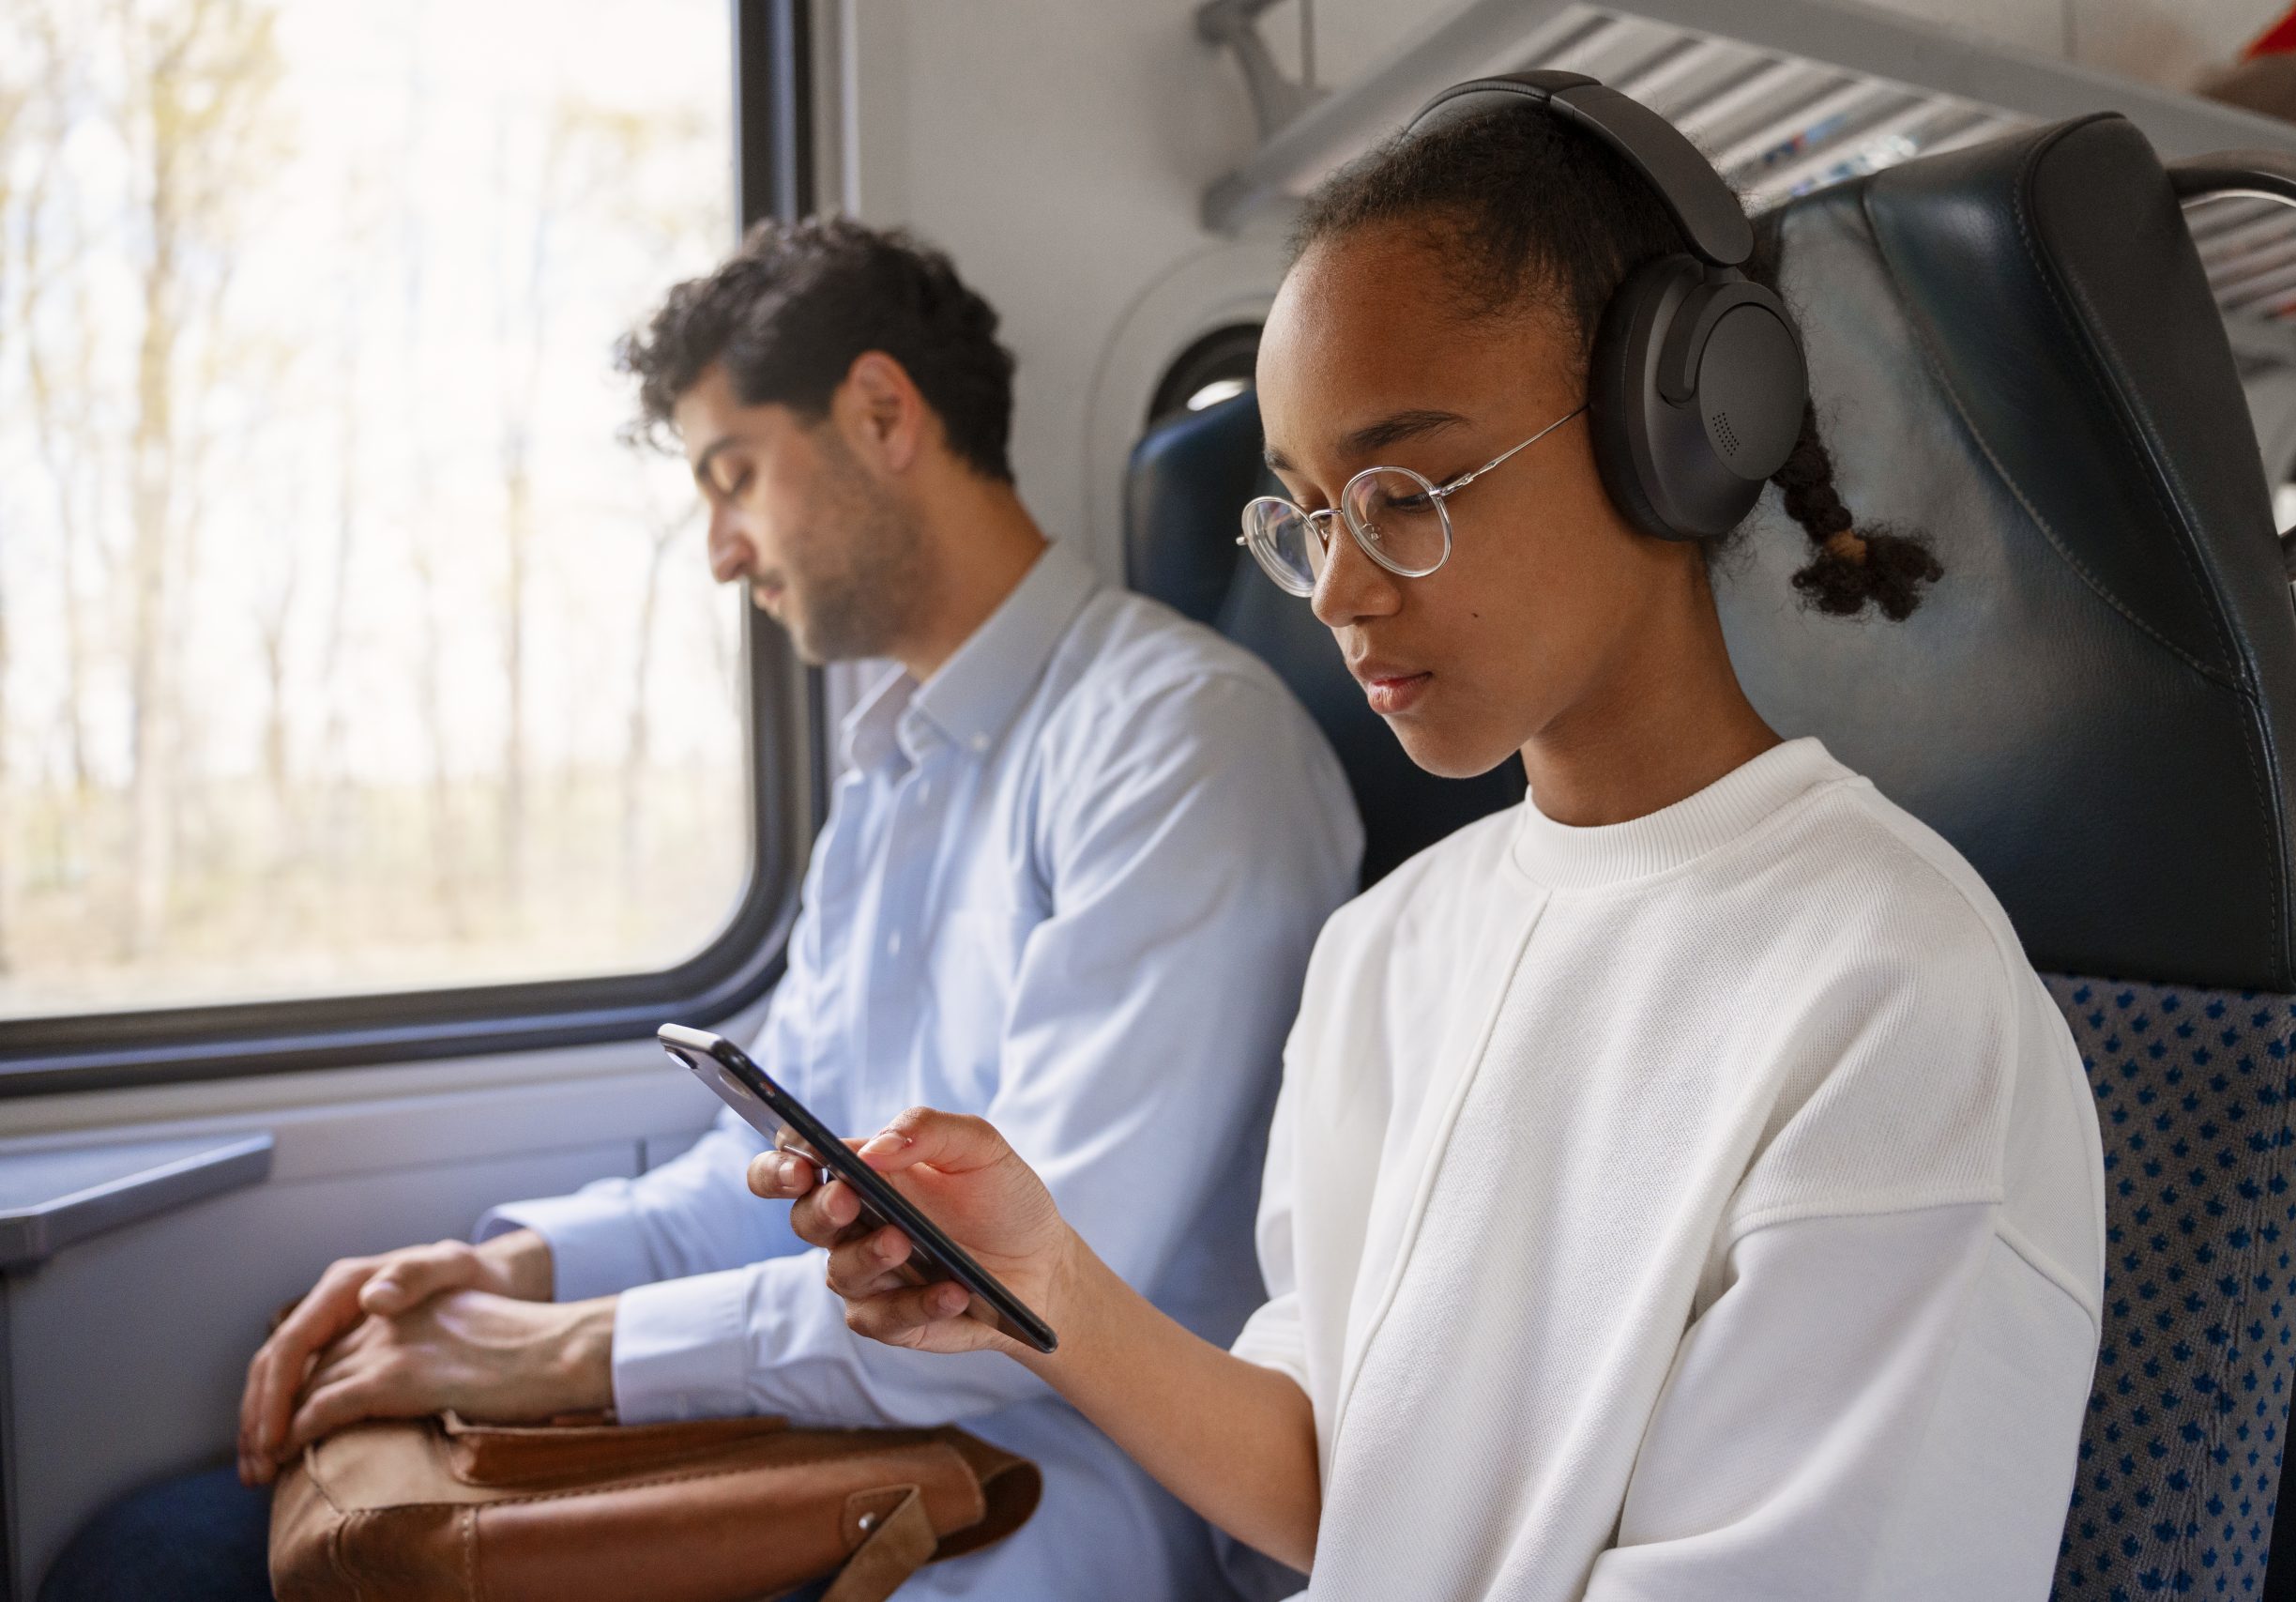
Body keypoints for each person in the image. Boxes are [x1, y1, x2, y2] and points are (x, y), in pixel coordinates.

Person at [752, 92, 2109, 1601]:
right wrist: (1041, 1283)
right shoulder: (1387, 947)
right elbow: (1352, 1488)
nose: (1335, 589)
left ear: (1667, 433)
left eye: (1403, 493)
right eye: (1310, 512)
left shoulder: (1891, 997)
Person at [39, 219, 1361, 1602]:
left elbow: (1019, 1303)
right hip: (832, 1433)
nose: (724, 553)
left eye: (734, 478)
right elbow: (772, 1192)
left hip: (1049, 1483)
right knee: (147, 1557)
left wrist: (562, 1355)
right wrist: (511, 1272)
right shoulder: (892, 776)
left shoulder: (1182, 751)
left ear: (879, 415)